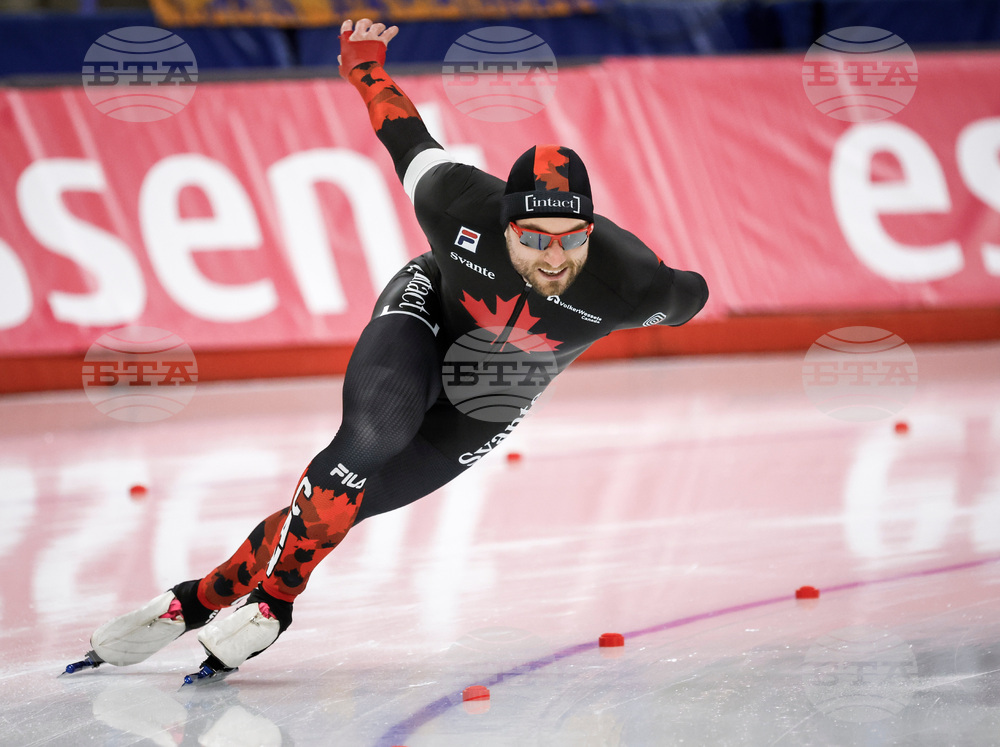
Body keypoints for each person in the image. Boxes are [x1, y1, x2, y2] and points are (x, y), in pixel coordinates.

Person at [67, 17, 709, 682]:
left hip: (490, 396)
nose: (552, 257)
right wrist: (364, 67)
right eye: (533, 236)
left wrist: (668, 278)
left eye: (571, 237)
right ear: (502, 220)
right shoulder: (455, 198)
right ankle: (275, 603)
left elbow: (694, 293)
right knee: (373, 434)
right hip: (426, 312)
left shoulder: (632, 283)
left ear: (592, 227)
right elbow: (402, 131)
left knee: (344, 506)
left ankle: (199, 597)